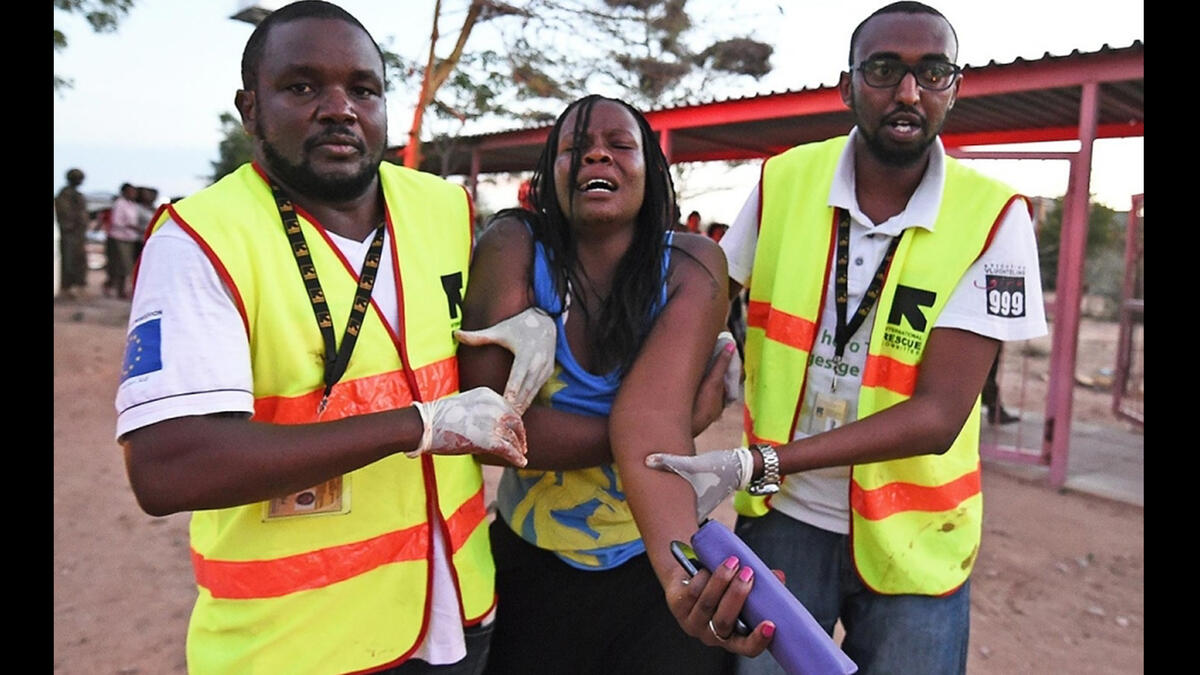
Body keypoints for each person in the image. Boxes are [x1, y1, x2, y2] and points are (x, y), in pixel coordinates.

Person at [115, 3, 559, 673]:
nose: (339, 108)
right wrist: (418, 424)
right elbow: (167, 464)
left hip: (461, 617)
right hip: (296, 645)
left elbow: (460, 362)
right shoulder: (204, 239)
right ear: (251, 107)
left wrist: (533, 320)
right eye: (301, 87)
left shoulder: (440, 207)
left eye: (363, 88)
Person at [647, 3, 1048, 673]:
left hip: (917, 540)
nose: (909, 92)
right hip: (785, 519)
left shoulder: (996, 218)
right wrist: (701, 359)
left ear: (956, 86)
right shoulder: (783, 181)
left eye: (934, 71)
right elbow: (707, 302)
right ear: (848, 84)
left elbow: (939, 417)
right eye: (885, 69)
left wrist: (759, 461)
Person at [456, 94, 774, 675]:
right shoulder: (514, 247)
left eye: (620, 145)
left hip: (655, 555)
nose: (597, 154)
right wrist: (685, 423)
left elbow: (645, 421)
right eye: (574, 148)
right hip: (530, 562)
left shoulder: (695, 265)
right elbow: (486, 426)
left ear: (651, 171)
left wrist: (682, 581)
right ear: (548, 174)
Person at [55, 167, 89, 300]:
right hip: (70, 233)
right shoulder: (64, 195)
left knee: (79, 260)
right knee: (69, 261)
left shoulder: (77, 195)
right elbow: (65, 214)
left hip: (79, 234)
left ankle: (78, 285)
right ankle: (67, 287)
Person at [106, 182, 143, 299]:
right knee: (121, 265)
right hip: (119, 238)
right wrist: (133, 227)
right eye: (131, 191)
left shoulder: (132, 205)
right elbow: (117, 222)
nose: (133, 194)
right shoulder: (119, 204)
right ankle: (118, 290)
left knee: (126, 266)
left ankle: (120, 289)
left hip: (130, 238)